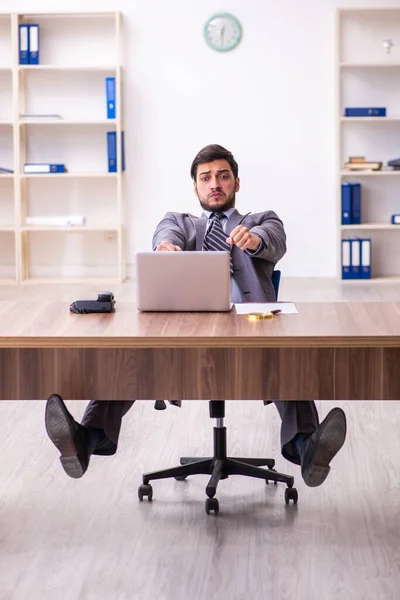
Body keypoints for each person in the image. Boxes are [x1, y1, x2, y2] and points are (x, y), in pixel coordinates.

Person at [45, 144, 346, 488]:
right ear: (196, 187)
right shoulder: (180, 222)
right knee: (127, 356)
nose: (215, 184)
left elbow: (273, 240)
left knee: (289, 358)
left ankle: (308, 448)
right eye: (206, 178)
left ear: (236, 183)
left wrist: (253, 240)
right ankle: (85, 441)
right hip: (185, 334)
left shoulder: (261, 220)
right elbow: (164, 235)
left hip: (250, 331)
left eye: (223, 176)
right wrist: (166, 248)